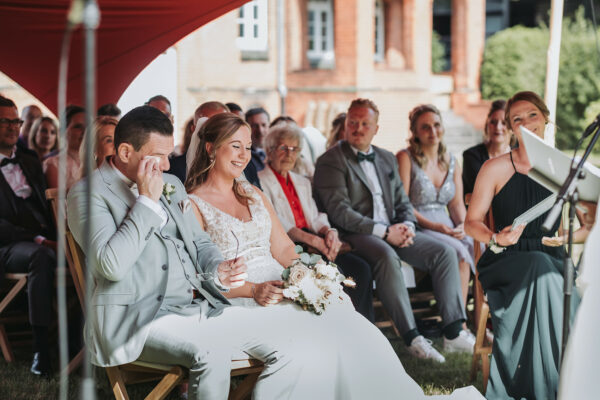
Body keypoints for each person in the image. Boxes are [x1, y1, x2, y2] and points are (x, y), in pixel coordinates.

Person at [185, 112, 484, 400]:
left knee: (353, 323)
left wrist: (312, 279)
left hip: (282, 284)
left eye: (248, 148)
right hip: (243, 298)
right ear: (210, 147)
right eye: (235, 146)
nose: (243, 155)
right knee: (321, 336)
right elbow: (199, 277)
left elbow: (284, 250)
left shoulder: (253, 194)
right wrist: (254, 290)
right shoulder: (193, 205)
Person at [66, 105, 342, 400]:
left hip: (194, 308)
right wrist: (146, 202)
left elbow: (200, 242)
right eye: (158, 156)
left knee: (291, 341)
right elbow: (110, 266)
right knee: (214, 351)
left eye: (168, 155)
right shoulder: (87, 194)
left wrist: (217, 269)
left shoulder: (170, 184)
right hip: (136, 319)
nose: (167, 166)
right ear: (124, 153)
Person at [313, 98, 474, 363]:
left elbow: (402, 202)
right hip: (355, 233)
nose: (358, 128)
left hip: (394, 230)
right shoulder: (331, 160)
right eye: (352, 123)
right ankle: (412, 337)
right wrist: (386, 233)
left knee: (445, 252)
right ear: (345, 125)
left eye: (365, 124)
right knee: (386, 255)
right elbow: (340, 212)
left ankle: (454, 331)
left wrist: (408, 226)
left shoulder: (386, 158)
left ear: (376, 128)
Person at [464, 91, 587, 400]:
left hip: (551, 255)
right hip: (505, 258)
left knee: (556, 271)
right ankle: (548, 386)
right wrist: (496, 237)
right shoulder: (494, 168)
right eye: (517, 119)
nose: (526, 122)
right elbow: (471, 222)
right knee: (539, 267)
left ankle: (572, 381)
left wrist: (571, 236)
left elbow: (588, 225)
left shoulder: (566, 170)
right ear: (510, 128)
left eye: (532, 114)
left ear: (546, 119)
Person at [257, 122, 374, 321]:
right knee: (339, 275)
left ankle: (364, 325)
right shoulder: (260, 181)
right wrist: (314, 242)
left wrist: (329, 232)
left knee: (361, 269)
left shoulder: (301, 181)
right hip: (290, 246)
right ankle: (341, 325)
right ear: (269, 150)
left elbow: (315, 215)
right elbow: (276, 221)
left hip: (315, 242)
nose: (289, 154)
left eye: (294, 149)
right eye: (283, 148)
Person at [397, 104, 475, 315]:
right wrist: (437, 227)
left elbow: (456, 204)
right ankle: (458, 322)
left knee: (477, 245)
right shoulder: (405, 158)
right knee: (459, 253)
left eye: (436, 125)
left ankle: (479, 318)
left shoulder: (451, 161)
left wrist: (464, 226)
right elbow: (403, 204)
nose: (433, 131)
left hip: (447, 225)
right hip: (420, 225)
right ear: (414, 132)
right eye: (425, 127)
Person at [0, 96, 56, 376]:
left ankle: (81, 340)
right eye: (5, 121)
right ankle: (41, 350)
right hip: (8, 245)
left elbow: (48, 209)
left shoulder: (30, 161)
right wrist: (40, 240)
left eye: (15, 121)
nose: (13, 127)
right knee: (42, 256)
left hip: (44, 238)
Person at [168, 101, 229, 183]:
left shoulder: (240, 164)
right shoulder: (175, 168)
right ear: (194, 129)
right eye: (207, 126)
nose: (215, 132)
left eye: (221, 126)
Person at [462, 99, 511, 197]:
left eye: (504, 123)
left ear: (512, 127)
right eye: (493, 122)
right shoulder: (471, 156)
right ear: (487, 125)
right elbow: (481, 192)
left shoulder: (520, 155)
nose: (498, 127)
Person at [43, 105, 84, 190]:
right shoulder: (54, 164)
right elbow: (57, 200)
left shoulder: (98, 160)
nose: (85, 131)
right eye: (78, 127)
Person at [243, 107, 269, 188]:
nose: (260, 130)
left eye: (264, 125)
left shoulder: (277, 153)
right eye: (254, 126)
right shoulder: (243, 157)